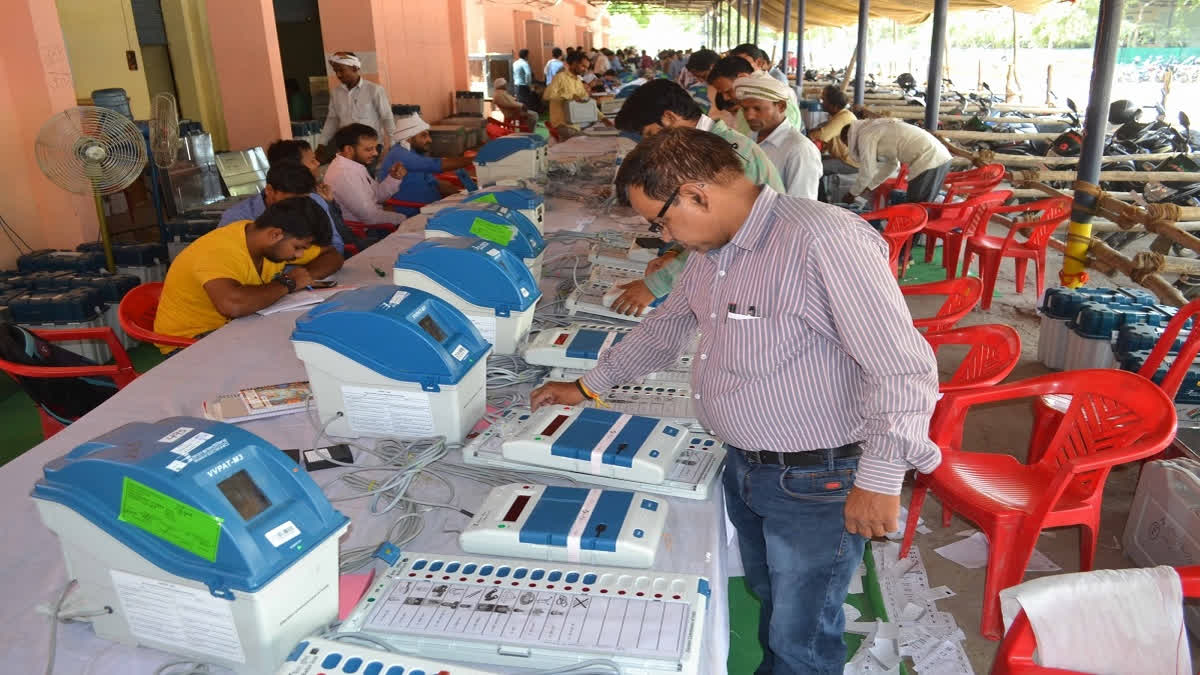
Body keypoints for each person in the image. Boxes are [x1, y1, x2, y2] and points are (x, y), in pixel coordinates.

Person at [528, 127, 941, 675]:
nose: (663, 234)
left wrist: (882, 477)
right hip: (748, 467)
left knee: (803, 635)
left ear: (697, 193)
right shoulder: (715, 249)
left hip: (817, 480)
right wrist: (586, 387)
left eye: (661, 220)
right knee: (776, 605)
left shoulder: (822, 241)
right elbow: (665, 329)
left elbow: (902, 366)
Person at [611, 79, 783, 315]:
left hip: (761, 282)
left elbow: (723, 238)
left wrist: (655, 285)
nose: (650, 146)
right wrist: (673, 253)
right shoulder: (699, 149)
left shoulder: (731, 156)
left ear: (670, 118)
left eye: (651, 135)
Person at [154, 196, 341, 351]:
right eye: (297, 248)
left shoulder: (266, 241)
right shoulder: (218, 250)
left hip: (238, 326)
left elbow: (332, 255)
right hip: (189, 343)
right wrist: (288, 283)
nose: (298, 255)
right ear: (275, 234)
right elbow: (233, 304)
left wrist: (305, 275)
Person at [218, 142, 353, 255]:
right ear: (270, 190)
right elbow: (232, 260)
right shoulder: (236, 218)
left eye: (303, 201)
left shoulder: (314, 201)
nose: (298, 207)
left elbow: (335, 246)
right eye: (291, 200)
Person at [736, 73, 822, 200]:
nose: (749, 116)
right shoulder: (750, 139)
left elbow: (801, 204)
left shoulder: (800, 149)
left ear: (781, 106)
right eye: (745, 109)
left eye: (757, 109)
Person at [376, 113, 476, 215]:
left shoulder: (414, 153)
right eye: (424, 135)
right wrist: (475, 159)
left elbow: (435, 182)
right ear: (408, 138)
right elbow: (437, 165)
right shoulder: (400, 154)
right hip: (414, 212)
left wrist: (462, 196)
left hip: (432, 207)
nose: (430, 140)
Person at [841, 118, 953, 204]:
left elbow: (867, 171)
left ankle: (912, 234)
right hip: (939, 157)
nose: (849, 147)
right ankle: (914, 234)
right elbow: (892, 165)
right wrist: (869, 186)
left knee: (915, 209)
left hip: (929, 159)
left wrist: (852, 193)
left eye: (846, 144)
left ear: (849, 138)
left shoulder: (865, 135)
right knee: (921, 206)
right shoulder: (873, 129)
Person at [323, 123, 408, 225]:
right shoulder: (345, 174)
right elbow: (370, 218)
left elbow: (377, 196)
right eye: (369, 149)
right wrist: (404, 220)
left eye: (375, 148)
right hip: (364, 232)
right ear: (348, 149)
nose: (375, 153)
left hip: (375, 223)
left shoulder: (355, 165)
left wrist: (394, 178)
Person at [318, 52, 397, 155]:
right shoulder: (336, 93)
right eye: (336, 71)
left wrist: (394, 142)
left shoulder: (374, 90)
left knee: (366, 171)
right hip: (346, 148)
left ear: (354, 68)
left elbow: (387, 117)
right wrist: (322, 143)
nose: (338, 75)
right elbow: (332, 119)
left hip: (370, 148)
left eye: (341, 70)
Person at [708, 56, 804, 138]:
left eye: (728, 91)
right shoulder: (749, 99)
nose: (725, 98)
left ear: (742, 78)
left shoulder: (773, 96)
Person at [544, 51, 610, 139]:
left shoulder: (578, 81)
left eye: (587, 67)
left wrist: (604, 119)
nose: (585, 70)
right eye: (583, 66)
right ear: (574, 64)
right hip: (562, 125)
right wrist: (570, 96)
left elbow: (587, 103)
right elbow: (547, 95)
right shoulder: (560, 77)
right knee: (591, 141)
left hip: (576, 124)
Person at [809, 85, 858, 161]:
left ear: (834, 106)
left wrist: (808, 135)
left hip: (849, 161)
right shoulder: (838, 115)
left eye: (824, 100)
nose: (822, 103)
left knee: (813, 166)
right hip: (841, 157)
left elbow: (822, 135)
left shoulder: (843, 117)